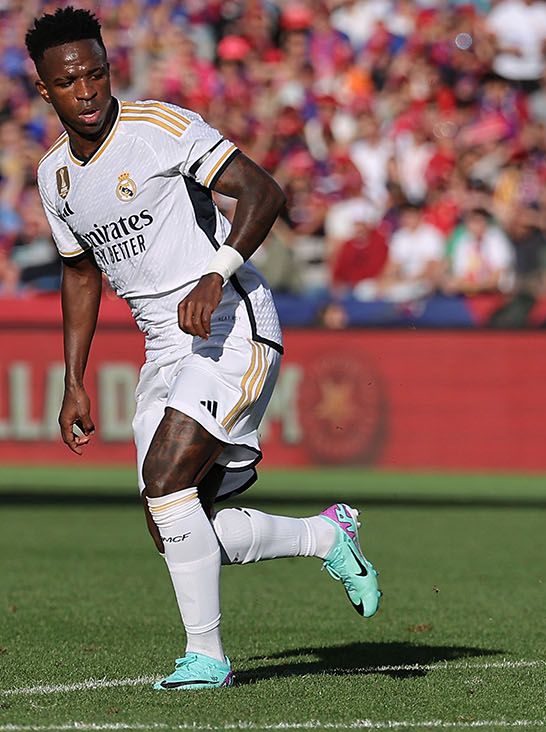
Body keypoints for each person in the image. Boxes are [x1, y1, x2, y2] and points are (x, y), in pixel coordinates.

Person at [28, 7, 381, 691]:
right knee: (175, 525)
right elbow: (80, 272)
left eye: (97, 73)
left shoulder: (159, 129)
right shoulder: (54, 179)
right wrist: (74, 378)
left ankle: (207, 658)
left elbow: (263, 191)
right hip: (165, 347)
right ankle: (326, 536)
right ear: (45, 91)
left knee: (165, 482)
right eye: (71, 82)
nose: (89, 90)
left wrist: (215, 272)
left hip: (231, 320)